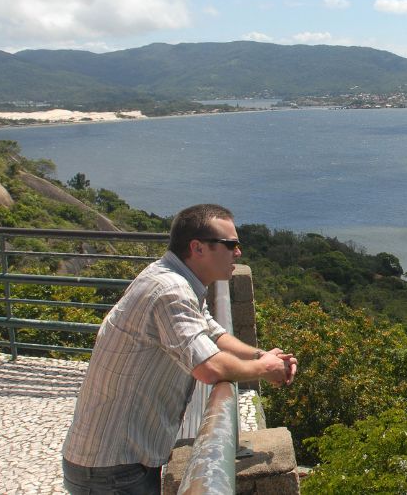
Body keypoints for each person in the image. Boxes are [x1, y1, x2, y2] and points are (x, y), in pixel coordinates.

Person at [61, 204, 297, 495]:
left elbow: (213, 332)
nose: (238, 252)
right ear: (197, 248)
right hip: (112, 467)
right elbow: (208, 368)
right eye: (230, 244)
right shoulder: (170, 290)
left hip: (117, 460)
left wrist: (260, 356)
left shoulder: (176, 279)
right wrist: (264, 369)